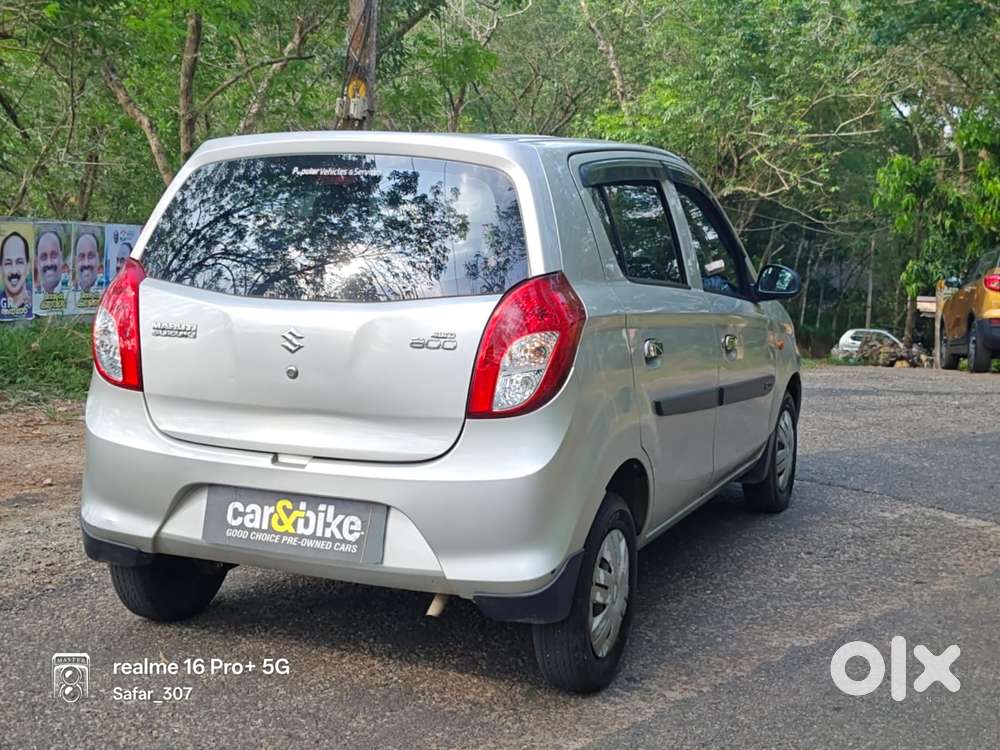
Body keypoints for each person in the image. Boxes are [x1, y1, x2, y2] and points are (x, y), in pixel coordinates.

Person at [1, 231, 31, 313]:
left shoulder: (37, 302)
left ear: (28, 267)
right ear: (1, 268)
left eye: (19, 262)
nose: (14, 271)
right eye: (8, 263)